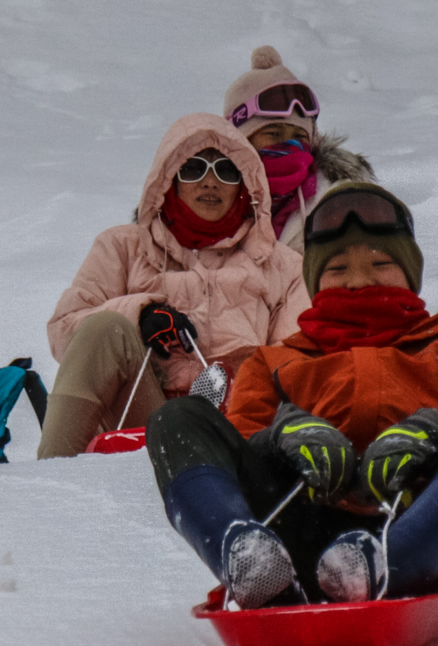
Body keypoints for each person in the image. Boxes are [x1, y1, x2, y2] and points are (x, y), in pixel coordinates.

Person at [146, 182, 438, 608]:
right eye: (337, 270)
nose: (360, 280)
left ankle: (387, 563)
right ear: (315, 282)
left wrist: (436, 438)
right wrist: (282, 440)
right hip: (298, 536)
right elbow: (239, 453)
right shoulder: (274, 362)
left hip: (433, 533)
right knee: (176, 419)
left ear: (411, 275)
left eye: (381, 263)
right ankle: (247, 556)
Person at [38, 114, 308, 459]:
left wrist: (238, 375)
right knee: (104, 327)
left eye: (226, 171)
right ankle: (51, 475)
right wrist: (141, 315)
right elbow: (64, 330)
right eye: (193, 169)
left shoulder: (282, 265)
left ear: (244, 185)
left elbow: (296, 363)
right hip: (141, 413)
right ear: (168, 181)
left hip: (237, 426)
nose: (210, 182)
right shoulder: (122, 247)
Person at [223, 46, 375, 250]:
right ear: (241, 140)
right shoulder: (212, 197)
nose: (289, 145)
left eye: (299, 137)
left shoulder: (338, 202)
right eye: (273, 134)